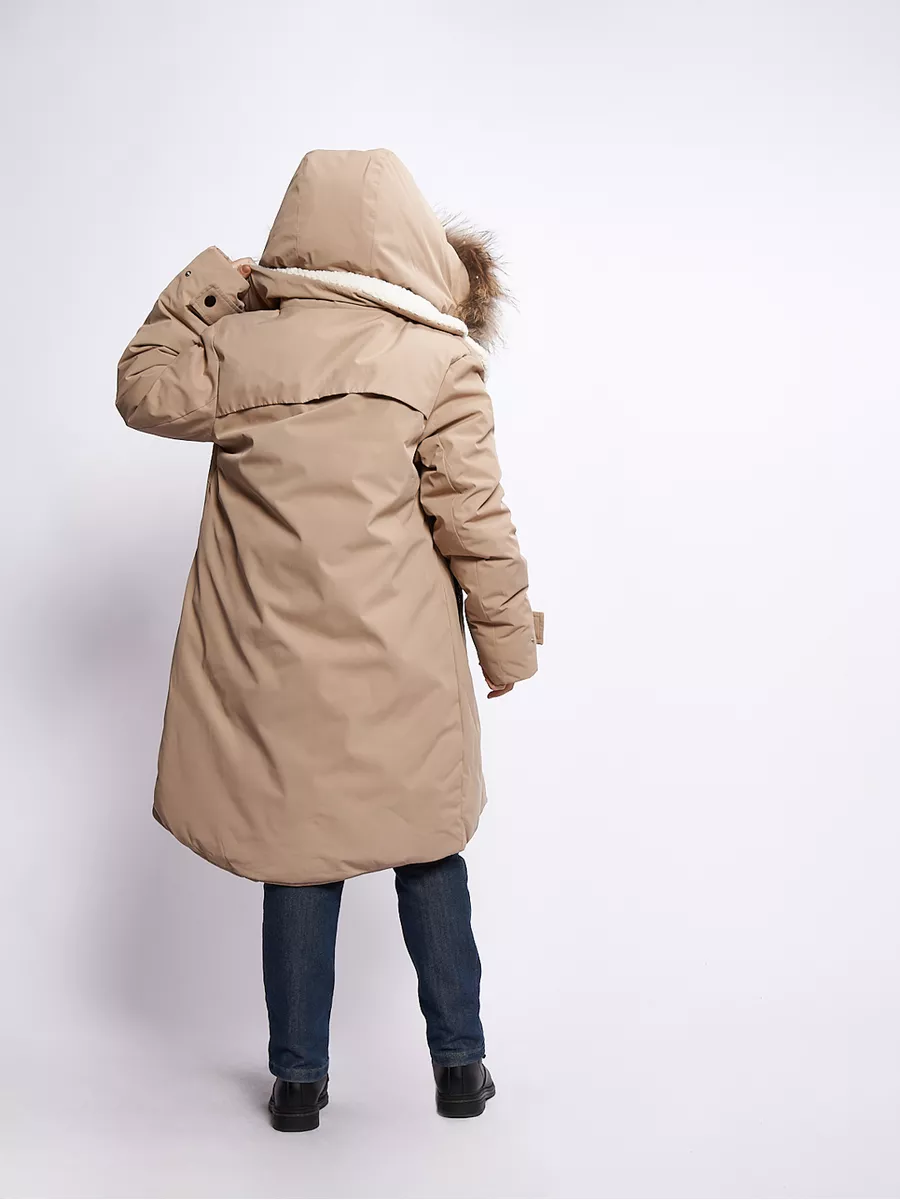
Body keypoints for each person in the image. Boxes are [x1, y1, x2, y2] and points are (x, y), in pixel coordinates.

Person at [115, 148, 542, 1131]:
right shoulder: (438, 360)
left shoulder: (239, 352)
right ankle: (461, 1069)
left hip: (279, 681)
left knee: (299, 861)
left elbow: (141, 387)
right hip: (406, 677)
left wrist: (215, 286)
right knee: (430, 857)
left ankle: (298, 1083)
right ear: (411, 239)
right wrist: (508, 646)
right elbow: (476, 520)